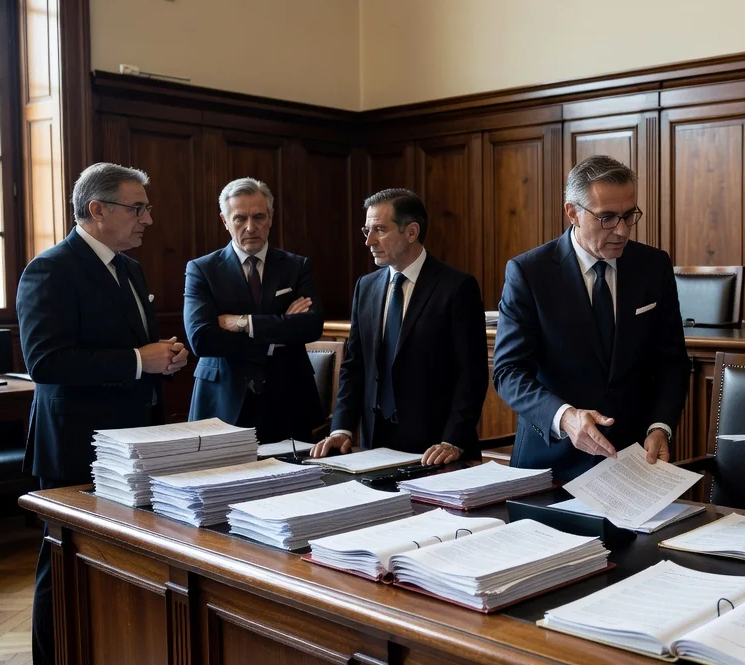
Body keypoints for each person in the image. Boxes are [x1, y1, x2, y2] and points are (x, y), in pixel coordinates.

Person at [16, 162, 188, 665]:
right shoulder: (50, 269)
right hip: (76, 448)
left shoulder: (130, 269)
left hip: (134, 446)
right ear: (97, 209)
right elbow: (46, 362)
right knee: (62, 569)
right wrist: (139, 360)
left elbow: (130, 350)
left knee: (124, 567)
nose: (148, 219)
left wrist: (161, 357)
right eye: (138, 208)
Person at [493, 155, 689, 482]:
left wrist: (660, 426)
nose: (622, 230)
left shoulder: (653, 266)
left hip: (634, 459)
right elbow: (508, 372)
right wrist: (565, 417)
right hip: (551, 463)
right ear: (573, 213)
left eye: (629, 215)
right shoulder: (529, 273)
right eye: (607, 217)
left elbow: (672, 361)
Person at [310, 189, 487, 464]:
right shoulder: (366, 286)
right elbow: (355, 366)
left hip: (436, 449)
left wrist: (453, 440)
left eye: (379, 230)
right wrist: (341, 429)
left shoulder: (456, 287)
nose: (369, 241)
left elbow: (471, 375)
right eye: (366, 230)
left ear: (411, 232)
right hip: (375, 444)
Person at [184, 178, 324, 442]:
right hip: (223, 400)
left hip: (289, 399)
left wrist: (243, 323)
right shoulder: (202, 269)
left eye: (259, 216)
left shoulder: (296, 266)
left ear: (270, 217)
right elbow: (201, 339)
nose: (250, 227)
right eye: (240, 218)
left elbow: (311, 326)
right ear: (225, 221)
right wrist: (277, 334)